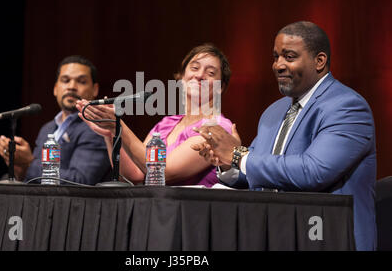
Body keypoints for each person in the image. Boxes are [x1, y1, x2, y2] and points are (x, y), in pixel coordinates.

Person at [191, 21, 377, 251]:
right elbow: (263, 174)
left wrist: (239, 155)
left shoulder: (346, 107)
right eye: (276, 56)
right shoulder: (274, 111)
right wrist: (228, 165)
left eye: (289, 57)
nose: (278, 65)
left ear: (319, 61)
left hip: (328, 238)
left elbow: (313, 171)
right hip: (277, 236)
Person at [75, 43, 233, 186]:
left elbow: (163, 172)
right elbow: (136, 174)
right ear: (182, 77)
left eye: (210, 73)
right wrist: (111, 133)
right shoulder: (167, 123)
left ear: (221, 87)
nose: (199, 75)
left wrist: (119, 126)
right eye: (194, 68)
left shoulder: (218, 127)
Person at [0, 56, 112, 185]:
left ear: (95, 89)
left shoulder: (97, 128)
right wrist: (18, 168)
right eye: (65, 80)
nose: (71, 87)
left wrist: (28, 163)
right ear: (55, 88)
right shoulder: (47, 129)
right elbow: (36, 179)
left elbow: (80, 181)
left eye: (81, 81)